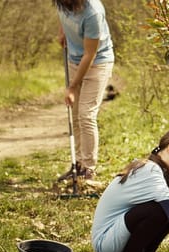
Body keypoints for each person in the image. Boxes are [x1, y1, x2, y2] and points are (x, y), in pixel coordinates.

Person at [54, 0, 114, 180]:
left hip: (97, 63)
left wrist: (72, 87)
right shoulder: (61, 3)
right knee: (75, 114)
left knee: (86, 115)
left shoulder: (92, 13)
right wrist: (62, 31)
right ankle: (78, 165)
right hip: (73, 60)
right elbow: (63, 16)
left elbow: (90, 54)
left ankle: (89, 168)